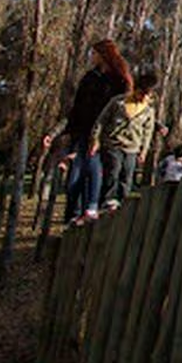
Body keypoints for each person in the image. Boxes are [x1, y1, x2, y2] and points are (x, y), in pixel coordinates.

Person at [43, 39, 132, 225]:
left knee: (94, 170)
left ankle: (91, 208)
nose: (91, 57)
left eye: (94, 53)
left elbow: (126, 110)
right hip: (83, 133)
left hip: (105, 136)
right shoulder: (89, 78)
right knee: (75, 179)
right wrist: (54, 133)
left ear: (103, 55)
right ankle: (73, 216)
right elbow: (75, 110)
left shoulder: (119, 81)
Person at [94, 71, 159, 211]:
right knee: (113, 171)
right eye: (142, 94)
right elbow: (101, 120)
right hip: (113, 143)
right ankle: (107, 200)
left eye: (148, 96)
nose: (144, 98)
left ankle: (124, 203)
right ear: (137, 90)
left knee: (127, 176)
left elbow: (147, 132)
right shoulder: (119, 102)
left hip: (132, 147)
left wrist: (143, 151)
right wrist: (96, 139)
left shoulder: (148, 111)